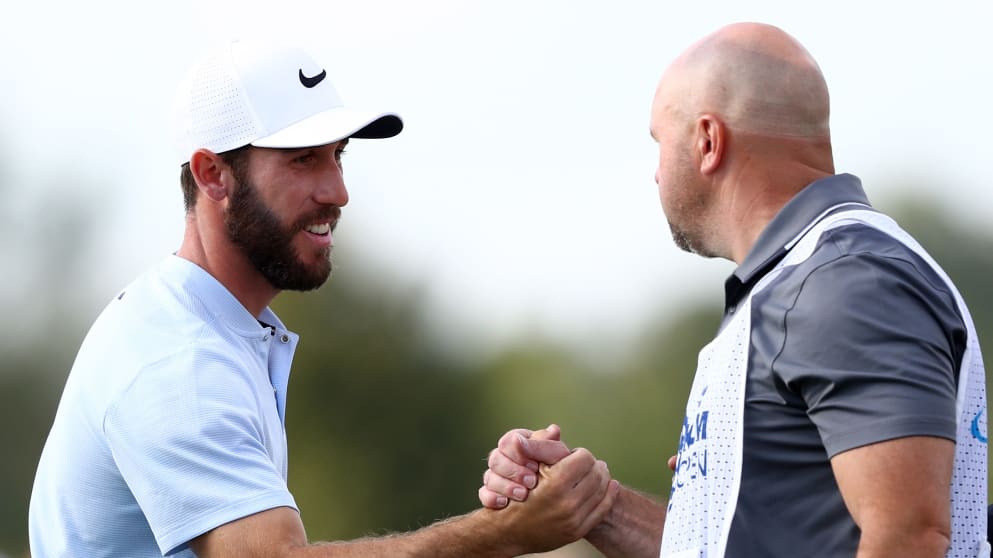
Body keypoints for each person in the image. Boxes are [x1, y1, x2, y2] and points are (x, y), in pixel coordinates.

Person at [27, 40, 618, 557]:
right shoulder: (181, 364)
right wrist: (506, 533)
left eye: (338, 156)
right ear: (212, 175)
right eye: (303, 159)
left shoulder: (208, 328)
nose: (337, 191)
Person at [480, 22, 988, 558]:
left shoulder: (841, 282)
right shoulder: (796, 284)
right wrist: (595, 506)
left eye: (660, 143)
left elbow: (908, 537)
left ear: (707, 141)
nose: (656, 175)